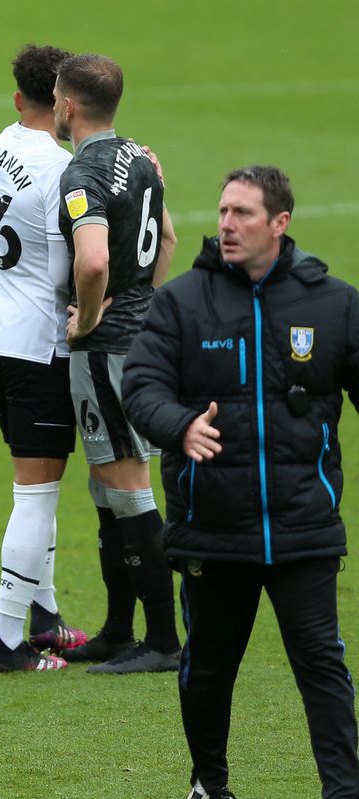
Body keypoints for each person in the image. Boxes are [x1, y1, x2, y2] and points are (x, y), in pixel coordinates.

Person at [123, 166, 359, 799]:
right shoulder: (182, 301)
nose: (226, 224)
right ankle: (209, 784)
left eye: (243, 214)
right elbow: (141, 386)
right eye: (223, 210)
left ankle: (343, 789)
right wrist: (179, 427)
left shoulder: (333, 303)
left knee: (322, 666)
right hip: (213, 529)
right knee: (209, 670)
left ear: (279, 224)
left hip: (304, 525)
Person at [52, 53, 181, 673]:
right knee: (105, 486)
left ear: (68, 106)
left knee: (128, 487)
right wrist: (145, 308)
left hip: (107, 351)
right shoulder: (142, 160)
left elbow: (94, 261)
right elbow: (169, 243)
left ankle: (162, 640)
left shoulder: (82, 175)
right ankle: (118, 629)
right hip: (140, 338)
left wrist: (97, 317)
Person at [0, 43, 89, 674]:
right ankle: (7, 641)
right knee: (37, 494)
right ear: (69, 103)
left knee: (34, 488)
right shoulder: (63, 170)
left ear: (19, 98)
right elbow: (67, 266)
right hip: (37, 345)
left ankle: (42, 618)